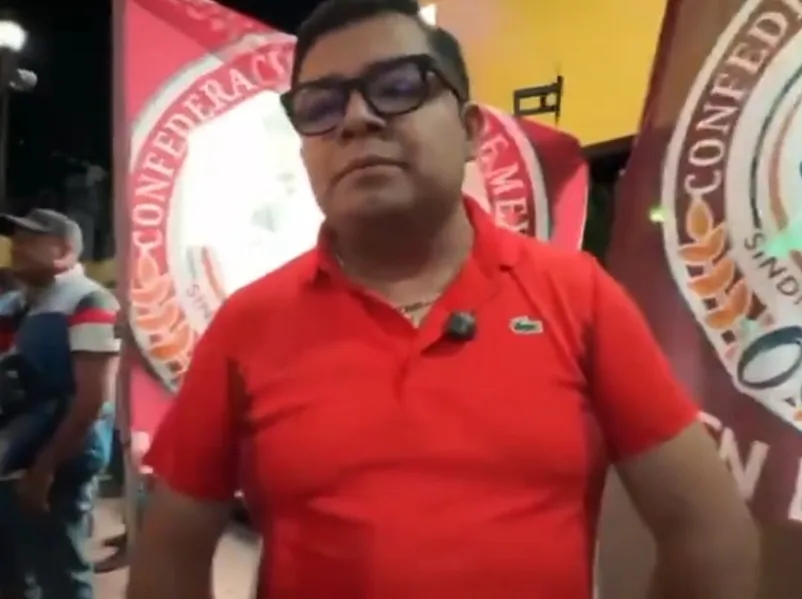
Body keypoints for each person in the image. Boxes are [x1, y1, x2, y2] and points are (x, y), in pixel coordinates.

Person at [127, 1, 759, 598]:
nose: (357, 120)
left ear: (470, 130)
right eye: (321, 105)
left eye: (399, 86)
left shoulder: (578, 295)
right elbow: (169, 554)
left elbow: (712, 534)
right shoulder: (249, 324)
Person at [0, 208, 120, 599]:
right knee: (13, 576)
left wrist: (45, 470)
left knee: (61, 577)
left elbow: (93, 400)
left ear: (65, 250)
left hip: (57, 466)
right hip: (13, 458)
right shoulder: (19, 304)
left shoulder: (89, 300)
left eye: (32, 239)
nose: (17, 247)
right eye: (16, 239)